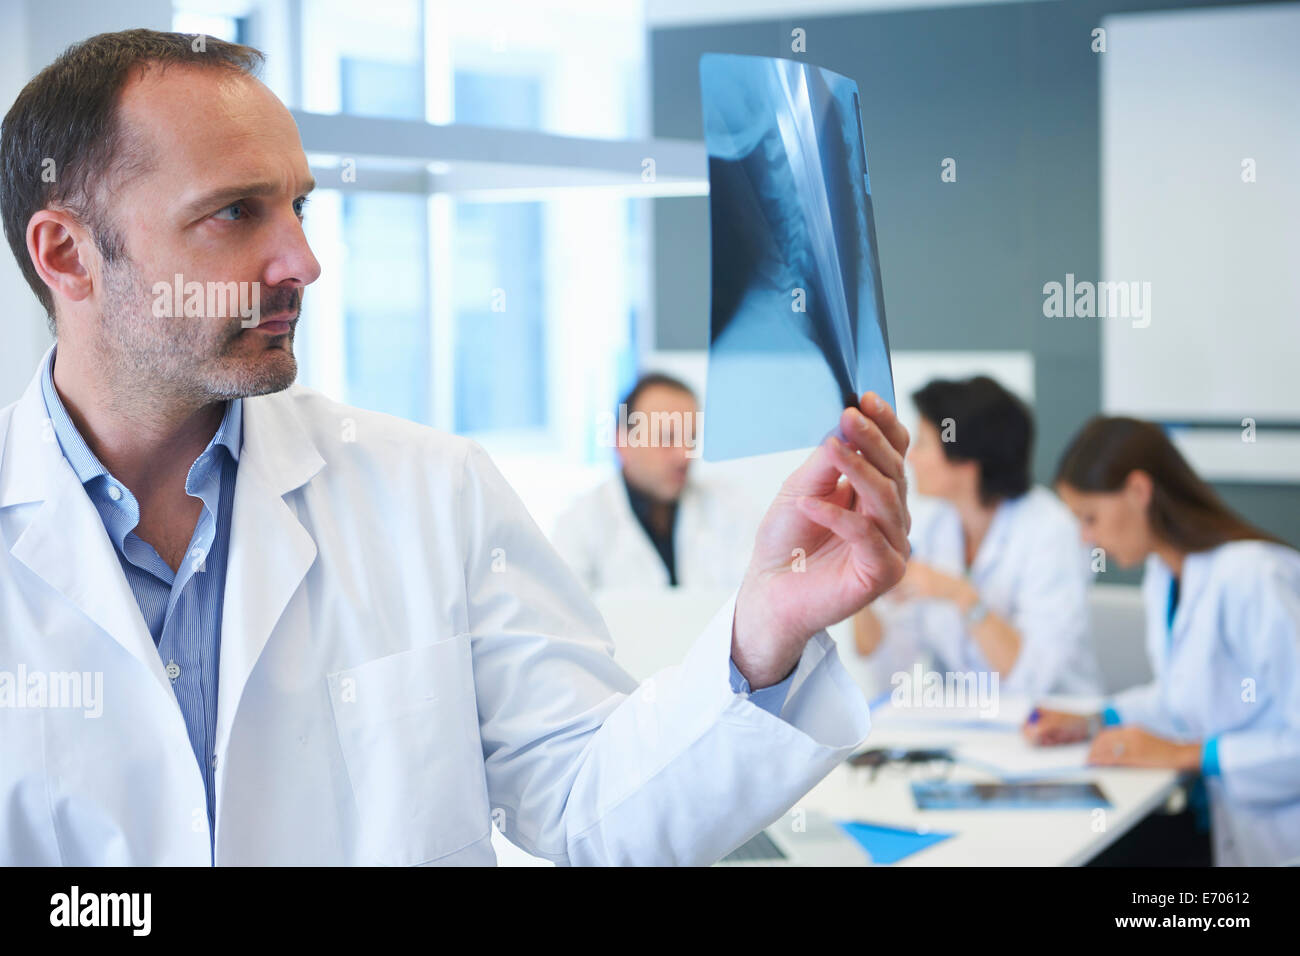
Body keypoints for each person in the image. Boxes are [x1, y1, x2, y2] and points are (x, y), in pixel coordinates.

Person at [0, 30, 911, 865]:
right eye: (237, 212)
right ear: (68, 255)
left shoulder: (432, 491)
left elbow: (588, 804)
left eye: (299, 206)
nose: (303, 262)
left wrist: (764, 635)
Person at [1024, 416, 1300, 866]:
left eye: (1090, 518)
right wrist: (1096, 720)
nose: (1086, 538)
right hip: (1226, 830)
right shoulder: (1165, 575)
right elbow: (1185, 697)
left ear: (1138, 490)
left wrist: (1187, 754)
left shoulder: (1253, 577)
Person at [853, 376, 1101, 696]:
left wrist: (959, 594)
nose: (911, 458)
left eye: (924, 443)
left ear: (967, 460)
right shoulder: (934, 526)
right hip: (972, 719)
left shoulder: (1051, 532)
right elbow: (890, 671)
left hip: (1055, 715)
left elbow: (1031, 678)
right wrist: (862, 589)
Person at [551, 372, 760, 591]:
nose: (684, 455)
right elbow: (567, 607)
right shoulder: (579, 525)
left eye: (691, 439)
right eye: (667, 438)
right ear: (622, 442)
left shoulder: (730, 510)